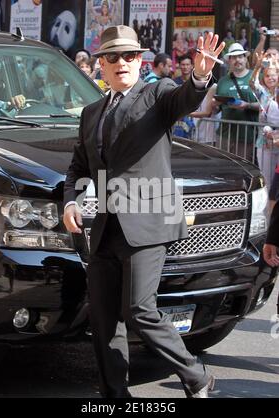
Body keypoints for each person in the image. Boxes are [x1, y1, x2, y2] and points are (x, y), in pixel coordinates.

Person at [63, 24, 224, 398]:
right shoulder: (90, 113)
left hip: (147, 226)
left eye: (130, 55)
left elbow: (186, 98)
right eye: (113, 57)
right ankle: (114, 397)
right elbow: (77, 168)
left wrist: (200, 75)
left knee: (139, 309)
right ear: (101, 65)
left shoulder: (158, 94)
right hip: (104, 229)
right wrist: (71, 201)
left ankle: (196, 375)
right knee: (103, 321)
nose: (122, 62)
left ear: (141, 61)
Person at [215, 42, 259, 161]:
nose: (237, 60)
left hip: (247, 136)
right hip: (224, 135)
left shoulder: (256, 78)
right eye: (233, 57)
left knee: (241, 172)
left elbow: (265, 106)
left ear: (245, 59)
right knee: (222, 170)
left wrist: (247, 105)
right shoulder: (222, 81)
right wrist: (215, 104)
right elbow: (215, 109)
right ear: (229, 61)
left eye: (240, 56)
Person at [249, 52, 279, 193]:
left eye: (273, 75)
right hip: (264, 142)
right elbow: (252, 84)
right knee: (267, 179)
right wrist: (258, 67)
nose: (271, 78)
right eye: (267, 76)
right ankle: (268, 212)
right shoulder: (263, 93)